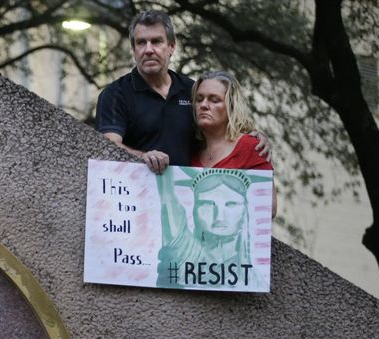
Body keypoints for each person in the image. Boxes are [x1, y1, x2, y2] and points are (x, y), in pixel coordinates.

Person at [95, 11, 269, 174]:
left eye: (156, 41)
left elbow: (220, 128)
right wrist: (143, 157)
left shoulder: (192, 90)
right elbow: (107, 147)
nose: (148, 50)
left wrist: (254, 138)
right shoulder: (115, 94)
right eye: (141, 42)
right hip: (139, 196)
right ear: (133, 50)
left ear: (171, 47)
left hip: (188, 198)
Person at [191, 70, 276, 215]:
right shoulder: (190, 148)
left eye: (214, 100)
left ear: (231, 105)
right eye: (199, 99)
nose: (203, 105)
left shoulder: (251, 147)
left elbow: (270, 208)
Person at [155, 169, 258, 288]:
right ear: (195, 210)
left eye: (231, 204)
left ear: (245, 211)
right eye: (207, 204)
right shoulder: (185, 251)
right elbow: (167, 196)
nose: (219, 217)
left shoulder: (255, 280)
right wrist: (160, 162)